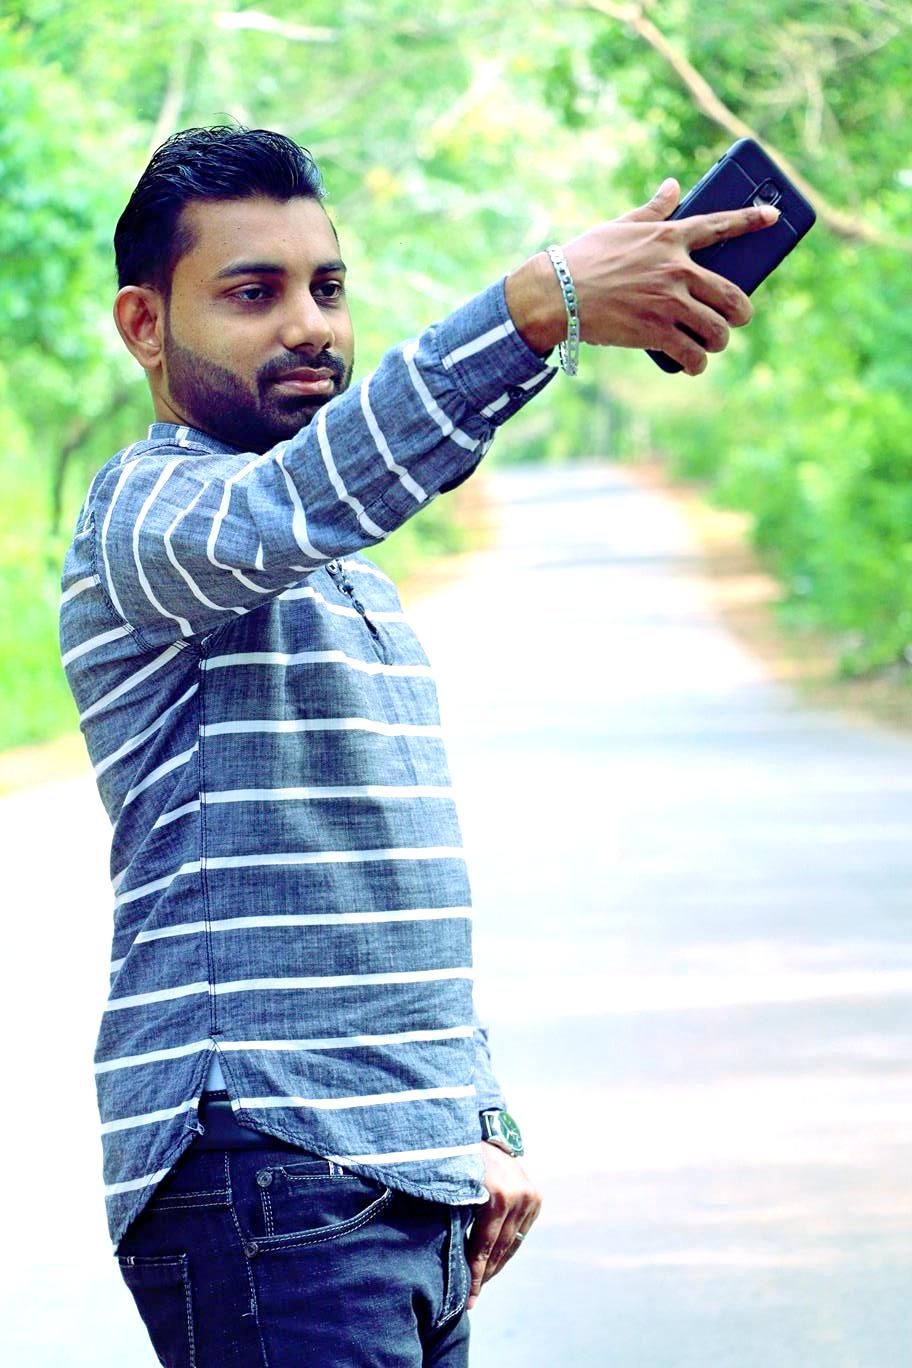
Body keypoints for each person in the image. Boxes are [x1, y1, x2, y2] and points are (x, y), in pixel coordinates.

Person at [59, 125, 777, 1366]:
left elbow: (384, 883)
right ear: (145, 326)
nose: (310, 326)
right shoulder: (148, 512)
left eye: (328, 288)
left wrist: (474, 1113)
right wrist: (540, 305)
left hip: (403, 1177)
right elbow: (303, 497)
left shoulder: (351, 581)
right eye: (253, 293)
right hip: (265, 1165)